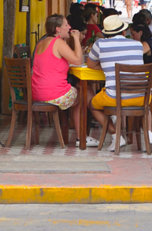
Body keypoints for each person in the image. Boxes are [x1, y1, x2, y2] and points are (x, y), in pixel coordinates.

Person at [31, 14, 100, 147]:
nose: (69, 27)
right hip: (53, 94)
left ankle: (85, 131)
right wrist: (76, 39)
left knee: (80, 90)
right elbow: (78, 60)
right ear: (58, 29)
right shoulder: (58, 42)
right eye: (66, 25)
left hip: (38, 93)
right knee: (84, 94)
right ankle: (83, 137)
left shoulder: (42, 42)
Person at [87, 14, 152, 149]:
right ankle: (149, 138)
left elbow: (90, 65)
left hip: (114, 98)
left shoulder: (100, 44)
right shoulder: (137, 45)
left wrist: (105, 66)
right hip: (142, 96)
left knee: (92, 105)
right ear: (124, 31)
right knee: (146, 107)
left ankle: (116, 135)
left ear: (106, 33)